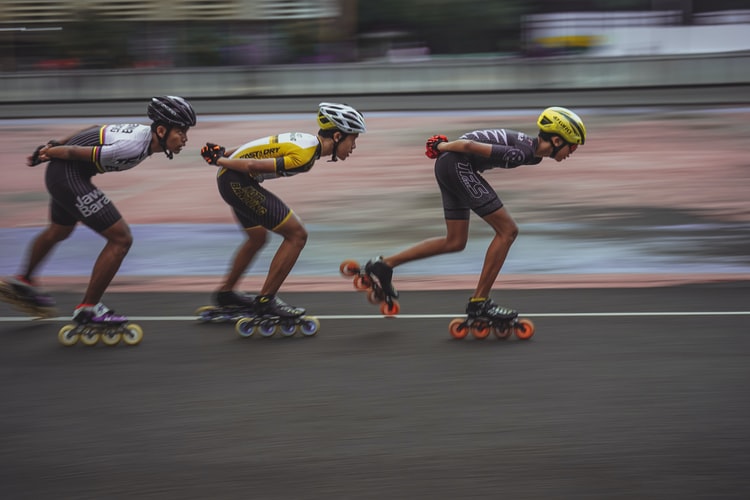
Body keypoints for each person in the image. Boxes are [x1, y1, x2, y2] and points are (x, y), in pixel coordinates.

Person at [360, 106, 586, 320]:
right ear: (557, 140)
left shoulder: (532, 152)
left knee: (455, 241)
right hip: (456, 163)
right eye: (573, 146)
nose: (572, 152)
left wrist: (444, 150)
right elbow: (469, 147)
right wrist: (441, 146)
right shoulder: (523, 152)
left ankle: (384, 265)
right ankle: (480, 302)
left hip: (450, 165)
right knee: (507, 231)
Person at [0, 96, 196, 323]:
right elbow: (74, 153)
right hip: (67, 175)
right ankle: (88, 308)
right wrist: (50, 152)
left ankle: (25, 280)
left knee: (59, 230)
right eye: (181, 132)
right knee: (121, 239)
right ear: (161, 130)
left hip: (67, 174)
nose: (185, 139)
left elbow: (94, 129)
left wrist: (54, 145)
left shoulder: (142, 135)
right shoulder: (132, 146)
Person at [199, 102, 366, 318]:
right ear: (337, 137)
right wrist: (220, 159)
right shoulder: (305, 157)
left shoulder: (305, 141)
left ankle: (226, 295)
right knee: (297, 235)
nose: (353, 147)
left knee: (257, 238)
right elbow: (253, 166)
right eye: (353, 140)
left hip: (232, 179)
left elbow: (258, 146)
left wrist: (224, 154)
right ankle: (266, 301)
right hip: (237, 181)